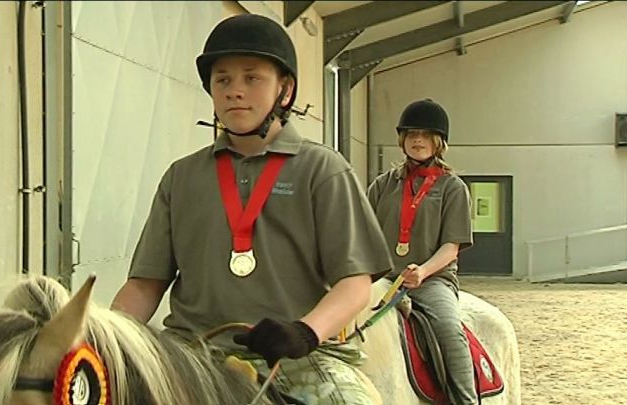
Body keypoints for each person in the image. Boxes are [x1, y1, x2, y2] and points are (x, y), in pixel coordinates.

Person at [111, 14, 392, 404]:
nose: (234, 91)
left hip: (294, 357)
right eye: (222, 79)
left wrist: (305, 332)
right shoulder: (181, 177)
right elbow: (145, 285)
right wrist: (103, 336)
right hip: (189, 356)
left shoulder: (323, 170)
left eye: (252, 77)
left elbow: (355, 283)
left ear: (285, 90)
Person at [366, 99, 477, 404]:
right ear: (403, 139)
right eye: (412, 134)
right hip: (385, 279)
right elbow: (365, 235)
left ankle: (465, 400)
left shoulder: (453, 188)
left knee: (450, 331)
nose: (418, 140)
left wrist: (423, 272)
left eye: (426, 135)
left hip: (432, 281)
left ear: (438, 142)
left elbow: (451, 247)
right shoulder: (382, 185)